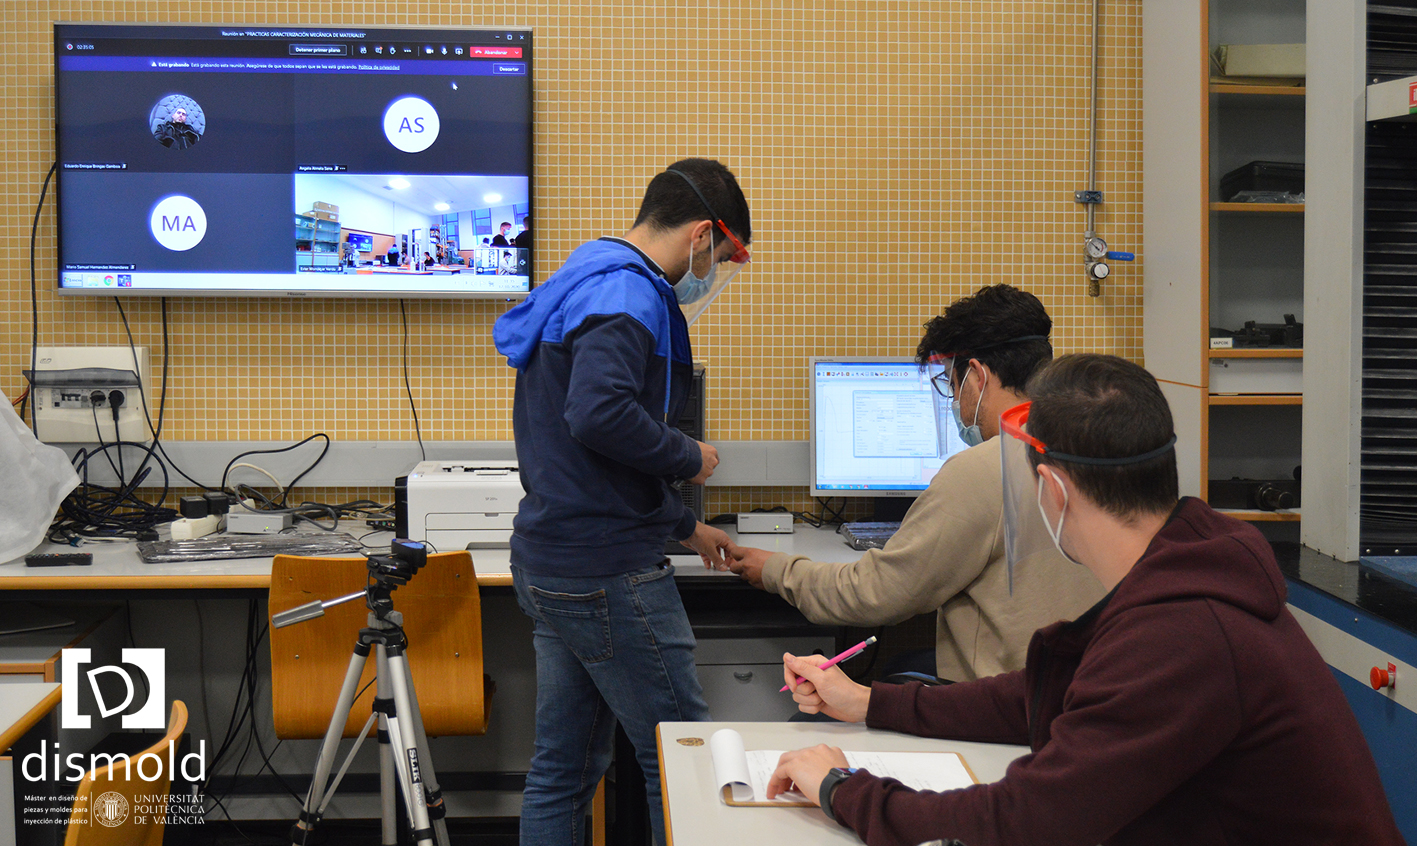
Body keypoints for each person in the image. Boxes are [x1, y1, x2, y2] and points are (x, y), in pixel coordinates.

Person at [768, 354, 1406, 846]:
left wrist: (841, 790)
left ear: (1053, 488)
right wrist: (868, 701)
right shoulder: (1187, 560)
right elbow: (1045, 693)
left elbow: (1025, 822)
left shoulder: (1185, 632)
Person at [492, 158, 752, 846]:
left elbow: (587, 465)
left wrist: (684, 525)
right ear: (702, 234)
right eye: (721, 257)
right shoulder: (629, 293)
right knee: (682, 760)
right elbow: (599, 415)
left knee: (564, 767)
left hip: (552, 560)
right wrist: (687, 456)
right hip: (607, 573)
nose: (712, 273)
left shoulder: (585, 274)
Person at [728, 284, 1104, 682]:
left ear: (977, 376)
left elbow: (876, 594)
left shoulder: (983, 471)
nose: (955, 403)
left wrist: (777, 570)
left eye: (951, 386)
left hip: (1002, 700)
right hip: (1086, 687)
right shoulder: (1096, 452)